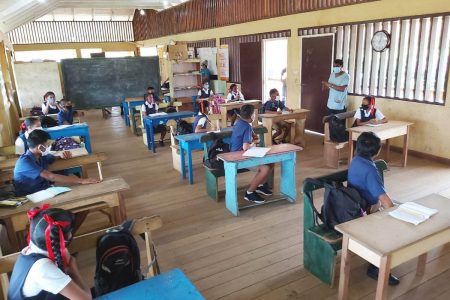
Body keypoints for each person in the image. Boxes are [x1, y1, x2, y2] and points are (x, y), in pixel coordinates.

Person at [347, 132, 399, 286]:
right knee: (391, 227)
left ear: (357, 147)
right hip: (364, 211)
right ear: (377, 152)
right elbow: (385, 201)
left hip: (354, 204)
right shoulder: (370, 169)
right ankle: (377, 268)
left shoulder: (355, 160)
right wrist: (396, 212)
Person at [8, 206, 92, 300]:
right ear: (67, 237)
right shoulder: (43, 268)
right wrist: (74, 270)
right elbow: (86, 299)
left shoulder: (31, 248)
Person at [13, 129, 99, 197]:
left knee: (82, 201)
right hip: (30, 197)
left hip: (44, 192)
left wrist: (61, 156)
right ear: (40, 147)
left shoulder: (40, 156)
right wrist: (81, 180)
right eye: (47, 145)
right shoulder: (25, 162)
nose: (48, 147)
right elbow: (51, 177)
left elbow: (51, 157)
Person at [231, 104, 274, 204]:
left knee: (271, 162)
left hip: (236, 153)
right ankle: (249, 193)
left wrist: (252, 140)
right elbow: (245, 147)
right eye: (254, 113)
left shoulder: (239, 122)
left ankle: (259, 185)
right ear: (251, 116)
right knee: (265, 168)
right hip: (239, 157)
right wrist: (254, 143)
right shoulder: (246, 126)